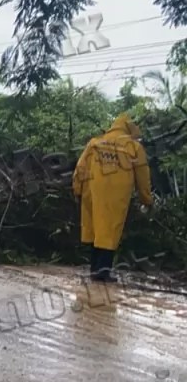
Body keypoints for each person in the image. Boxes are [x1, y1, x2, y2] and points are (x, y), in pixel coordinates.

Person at [72, 112, 154, 282]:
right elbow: (143, 176)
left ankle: (95, 270)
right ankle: (102, 272)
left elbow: (80, 168)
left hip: (92, 192)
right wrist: (147, 199)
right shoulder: (134, 148)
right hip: (116, 195)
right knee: (109, 231)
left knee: (97, 231)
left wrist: (77, 189)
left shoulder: (95, 143)